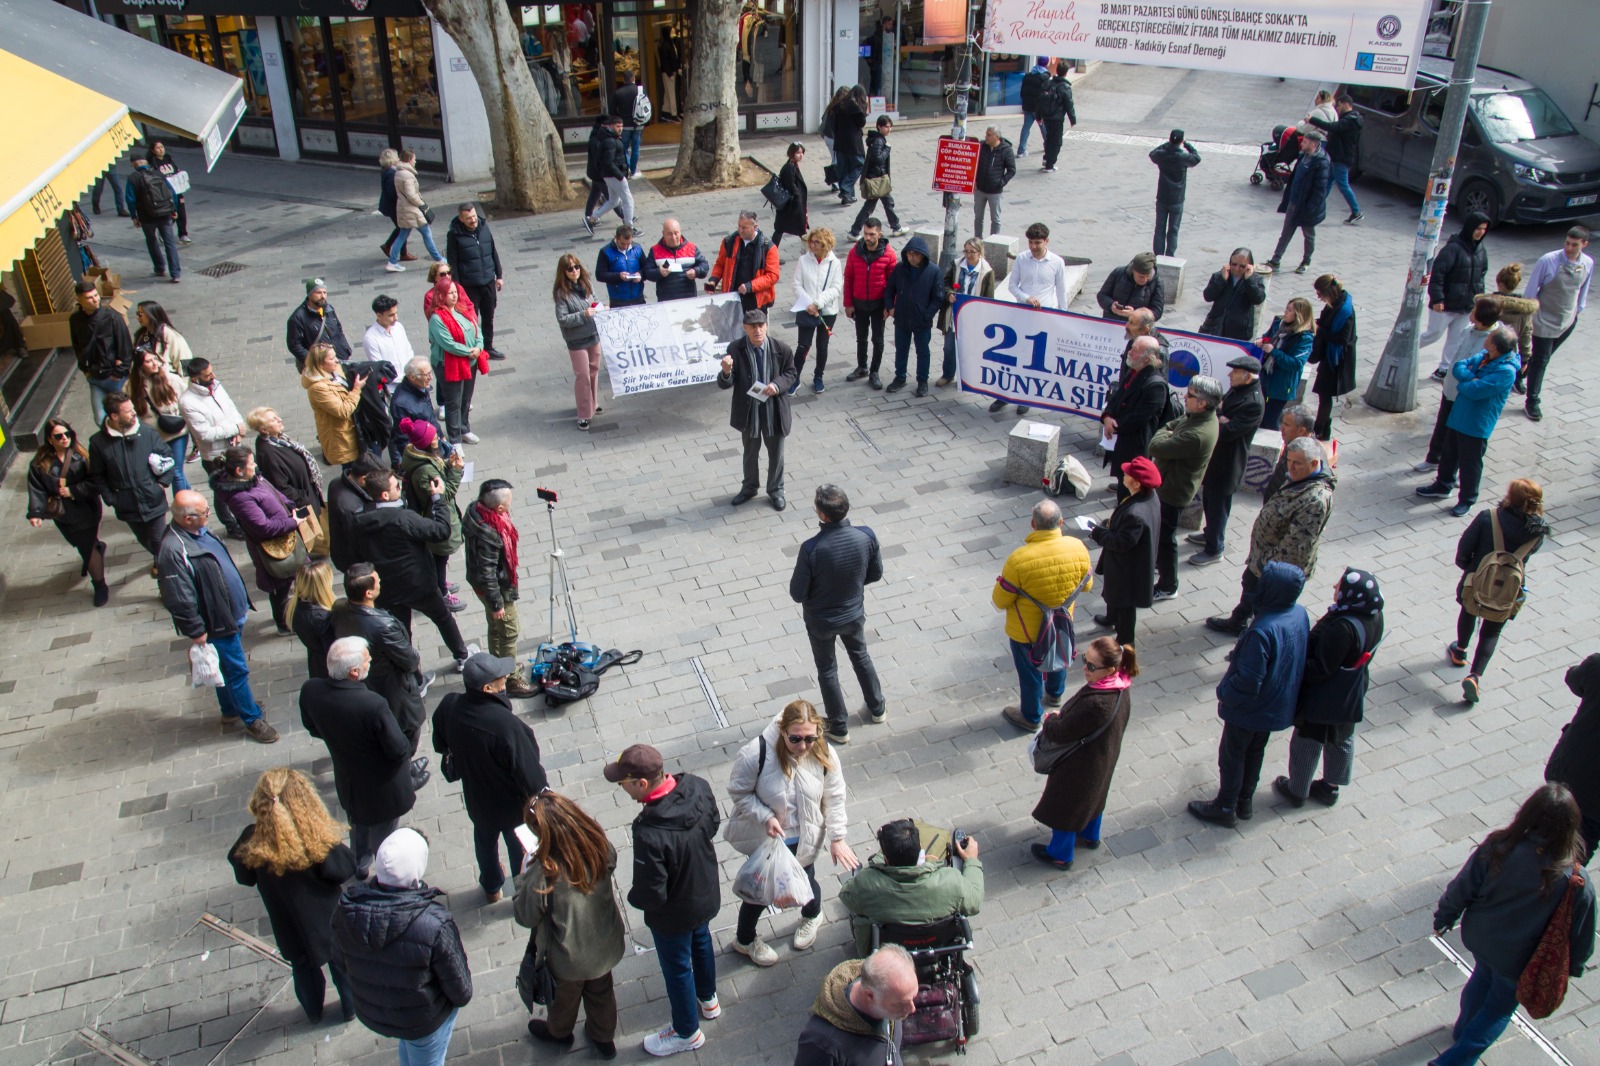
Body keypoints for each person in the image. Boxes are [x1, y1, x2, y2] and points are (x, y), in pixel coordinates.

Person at [1431, 783, 1596, 1066]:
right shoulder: (1574, 881)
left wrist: (1445, 916)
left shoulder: (1499, 846)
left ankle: (1462, 1030)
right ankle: (1453, 1062)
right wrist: (1574, 966)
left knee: (1481, 979)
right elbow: (1581, 933)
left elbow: (1463, 885)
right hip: (1520, 960)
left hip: (1481, 939)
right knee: (1498, 1009)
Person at [606, 743, 722, 1058]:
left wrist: (633, 898)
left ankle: (686, 1032)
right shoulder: (697, 785)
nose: (623, 788)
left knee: (677, 967)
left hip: (673, 914)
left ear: (641, 784)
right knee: (702, 940)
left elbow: (651, 891)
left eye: (623, 783)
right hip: (704, 893)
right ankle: (708, 999)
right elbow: (713, 824)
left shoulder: (649, 831)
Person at [725, 700, 860, 966]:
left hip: (805, 838)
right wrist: (765, 816)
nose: (802, 746)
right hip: (769, 839)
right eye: (795, 738)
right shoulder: (756, 753)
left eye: (810, 738)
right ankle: (744, 940)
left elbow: (834, 796)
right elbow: (739, 792)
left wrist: (837, 837)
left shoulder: (824, 754)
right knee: (759, 893)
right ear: (783, 731)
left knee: (807, 881)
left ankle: (812, 915)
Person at [332, 829, 473, 1066]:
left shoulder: (347, 910)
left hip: (375, 1013)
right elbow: (462, 990)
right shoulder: (434, 922)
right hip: (422, 1019)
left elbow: (340, 961)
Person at [228, 769, 357, 1023]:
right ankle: (350, 1008)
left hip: (287, 925)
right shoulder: (314, 841)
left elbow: (244, 877)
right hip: (327, 923)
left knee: (302, 969)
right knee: (342, 966)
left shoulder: (251, 839)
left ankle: (313, 1011)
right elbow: (346, 869)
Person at [1188, 561, 1309, 827]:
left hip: (1249, 709)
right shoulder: (1298, 613)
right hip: (1275, 704)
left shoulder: (1262, 630)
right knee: (1256, 750)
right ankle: (1245, 800)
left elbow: (1248, 680)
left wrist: (1224, 693)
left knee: (1231, 756)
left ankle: (1225, 806)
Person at [156, 490, 278, 743]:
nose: (209, 516)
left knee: (226, 667)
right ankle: (252, 718)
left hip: (230, 613)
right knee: (236, 671)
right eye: (204, 513)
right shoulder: (173, 550)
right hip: (216, 622)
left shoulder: (200, 531)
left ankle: (230, 709)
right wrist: (196, 630)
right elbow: (179, 597)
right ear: (187, 519)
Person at [515, 792, 626, 1060]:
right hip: (604, 945)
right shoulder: (598, 844)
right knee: (602, 993)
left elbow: (525, 916)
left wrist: (524, 874)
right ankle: (603, 1038)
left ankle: (559, 1033)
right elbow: (610, 863)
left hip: (566, 958)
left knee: (563, 1000)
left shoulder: (544, 871)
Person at [433, 652, 548, 903]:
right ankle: (522, 892)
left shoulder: (449, 705)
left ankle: (491, 887)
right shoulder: (506, 726)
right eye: (500, 677)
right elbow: (531, 775)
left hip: (476, 797)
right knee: (518, 847)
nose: (505, 677)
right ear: (487, 688)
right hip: (511, 804)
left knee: (484, 842)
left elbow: (440, 743)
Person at [300, 637, 418, 878]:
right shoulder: (372, 705)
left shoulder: (311, 690)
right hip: (382, 787)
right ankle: (387, 873)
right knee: (384, 832)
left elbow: (312, 727)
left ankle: (360, 863)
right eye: (367, 659)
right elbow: (398, 749)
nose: (370, 660)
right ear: (354, 672)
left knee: (358, 822)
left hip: (349, 780)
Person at [1273, 568, 1384, 809]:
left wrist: (1293, 667)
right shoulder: (1373, 615)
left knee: (1308, 740)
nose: (1334, 586)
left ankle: (1297, 790)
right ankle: (1330, 787)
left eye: (1340, 585)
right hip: (1351, 690)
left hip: (1325, 696)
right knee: (1342, 736)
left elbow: (1320, 669)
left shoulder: (1341, 628)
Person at [1206, 436, 1335, 635]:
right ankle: (1238, 622)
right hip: (1263, 559)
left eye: (1297, 463)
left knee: (1265, 610)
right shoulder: (1300, 478)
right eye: (1288, 461)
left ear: (1314, 463)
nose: (1290, 468)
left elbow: (1295, 547)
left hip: (1275, 569)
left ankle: (1249, 645)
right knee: (1249, 591)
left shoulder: (1315, 499)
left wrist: (1264, 565)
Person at [1030, 636, 1137, 869]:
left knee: (1066, 807)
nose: (1085, 669)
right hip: (1103, 758)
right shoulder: (1121, 686)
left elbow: (1061, 733)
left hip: (1081, 766)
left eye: (1091, 666)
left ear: (1109, 669)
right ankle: (1090, 836)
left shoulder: (1097, 703)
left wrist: (1051, 720)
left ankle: (1060, 854)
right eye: (1084, 661)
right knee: (1094, 798)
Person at [791, 484, 885, 742]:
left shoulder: (812, 549)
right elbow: (875, 574)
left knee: (827, 669)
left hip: (821, 621)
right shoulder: (866, 536)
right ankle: (877, 707)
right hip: (853, 613)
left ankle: (839, 725)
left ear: (822, 515)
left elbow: (797, 593)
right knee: (861, 656)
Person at [353, 469, 473, 667]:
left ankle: (413, 675)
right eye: (397, 486)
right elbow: (441, 531)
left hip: (387, 587)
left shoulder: (359, 519)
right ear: (385, 494)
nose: (401, 488)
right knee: (443, 618)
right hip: (418, 583)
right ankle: (462, 655)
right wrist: (438, 499)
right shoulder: (403, 518)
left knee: (402, 631)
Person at [993, 499, 1093, 733]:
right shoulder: (1077, 547)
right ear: (1060, 522)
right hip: (1061, 622)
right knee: (1058, 655)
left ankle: (1031, 716)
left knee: (1030, 674)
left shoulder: (1020, 559)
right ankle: (1056, 695)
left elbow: (1000, 600)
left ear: (1032, 524)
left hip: (1026, 630)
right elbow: (1086, 585)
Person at [1447, 477, 1546, 704]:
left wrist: (1470, 568)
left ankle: (1460, 650)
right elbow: (1527, 557)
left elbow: (1464, 550)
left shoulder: (1488, 517)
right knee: (1492, 632)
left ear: (1511, 497)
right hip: (1508, 589)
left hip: (1477, 581)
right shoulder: (1538, 531)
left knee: (1469, 612)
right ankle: (1475, 676)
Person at [330, 564, 432, 772]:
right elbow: (409, 660)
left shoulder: (340, 609)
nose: (381, 582)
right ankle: (403, 773)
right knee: (407, 733)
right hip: (394, 689)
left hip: (368, 684)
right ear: (368, 592)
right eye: (377, 580)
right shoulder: (383, 626)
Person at [1416, 326, 1519, 518]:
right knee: (1449, 452)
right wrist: (1471, 380)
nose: (1486, 338)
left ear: (1495, 346)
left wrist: (1467, 382)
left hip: (1476, 423)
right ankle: (1443, 484)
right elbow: (1458, 367)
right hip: (1460, 414)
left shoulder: (1506, 372)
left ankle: (1467, 499)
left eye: (1489, 337)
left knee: (1470, 462)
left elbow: (1475, 390)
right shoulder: (1484, 355)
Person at [839, 819, 982, 956]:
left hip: (886, 954)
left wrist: (874, 865)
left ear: (886, 858)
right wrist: (972, 860)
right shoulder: (951, 882)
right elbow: (974, 903)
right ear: (920, 849)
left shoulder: (866, 885)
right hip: (939, 946)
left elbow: (846, 896)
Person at [214, 445, 306, 632]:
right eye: (251, 463)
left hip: (285, 537)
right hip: (272, 547)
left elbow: (274, 492)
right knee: (280, 586)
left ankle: (296, 612)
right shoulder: (240, 497)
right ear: (239, 471)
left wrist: (289, 504)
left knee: (294, 577)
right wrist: (292, 523)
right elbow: (263, 527)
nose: (255, 465)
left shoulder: (254, 478)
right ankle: (284, 624)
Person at [1148, 376, 1221, 599]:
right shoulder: (1197, 417)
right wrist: (1168, 429)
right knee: (1162, 535)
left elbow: (1156, 446)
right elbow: (1173, 423)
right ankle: (1161, 566)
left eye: (1190, 396)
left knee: (1166, 538)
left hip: (1172, 490)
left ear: (1203, 403)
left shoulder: (1197, 434)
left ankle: (1169, 585)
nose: (1184, 398)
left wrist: (1164, 432)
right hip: (1169, 483)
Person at [717, 309, 797, 511]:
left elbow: (791, 373)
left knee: (776, 453)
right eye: (752, 327)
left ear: (766, 326)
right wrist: (726, 372)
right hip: (749, 412)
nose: (757, 331)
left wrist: (777, 385)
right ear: (745, 328)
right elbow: (727, 382)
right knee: (750, 452)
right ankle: (750, 487)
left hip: (774, 411)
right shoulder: (736, 349)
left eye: (761, 326)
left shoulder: (782, 349)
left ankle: (776, 490)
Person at [462, 479, 536, 698]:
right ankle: (510, 678)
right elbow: (488, 573)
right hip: (495, 589)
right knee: (509, 630)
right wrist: (497, 603)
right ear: (499, 508)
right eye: (509, 501)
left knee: (496, 628)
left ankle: (497, 666)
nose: (511, 504)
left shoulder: (476, 511)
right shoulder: (491, 533)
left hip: (481, 584)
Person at [25, 418, 107, 607]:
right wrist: (36, 512)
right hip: (63, 514)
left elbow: (96, 482)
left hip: (86, 509)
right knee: (79, 543)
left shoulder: (81, 456)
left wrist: (73, 491)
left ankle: (100, 585)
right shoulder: (40, 463)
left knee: (86, 546)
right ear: (50, 439)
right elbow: (36, 488)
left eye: (67, 434)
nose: (64, 438)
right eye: (59, 436)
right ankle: (97, 549)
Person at [1191, 356, 1265, 566]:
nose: (1230, 375)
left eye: (1235, 372)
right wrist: (1219, 417)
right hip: (1217, 459)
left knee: (1218, 506)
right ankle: (1209, 533)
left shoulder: (1253, 402)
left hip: (1229, 463)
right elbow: (1217, 410)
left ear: (1248, 376)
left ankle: (1215, 548)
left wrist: (1219, 420)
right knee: (1209, 501)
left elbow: (1229, 431)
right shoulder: (1238, 390)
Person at [793, 945, 919, 1066]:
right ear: (870, 995)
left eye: (913, 997)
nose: (912, 1009)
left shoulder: (886, 990)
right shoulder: (822, 1043)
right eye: (900, 1004)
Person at [1416, 295, 1500, 475]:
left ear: (1482, 317)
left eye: (1474, 310)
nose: (1471, 311)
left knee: (1457, 436)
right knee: (1441, 426)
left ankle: (1453, 472)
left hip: (1465, 395)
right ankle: (1433, 458)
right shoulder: (1469, 329)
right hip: (1450, 389)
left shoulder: (1492, 342)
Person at [88, 392, 174, 562]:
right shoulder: (98, 442)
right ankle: (162, 560)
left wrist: (161, 484)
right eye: (128, 411)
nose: (134, 413)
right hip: (126, 504)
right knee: (146, 540)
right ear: (114, 416)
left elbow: (167, 458)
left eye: (132, 408)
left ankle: (168, 568)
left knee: (159, 540)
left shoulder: (147, 432)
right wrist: (112, 498)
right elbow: (98, 475)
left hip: (152, 498)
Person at [1521, 225, 1592, 421]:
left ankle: (1519, 375)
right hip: (1544, 320)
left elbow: (1583, 288)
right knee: (1541, 360)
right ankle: (1532, 401)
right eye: (1567, 243)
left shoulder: (1587, 263)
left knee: (1540, 358)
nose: (1569, 247)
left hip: (1567, 320)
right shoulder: (1548, 260)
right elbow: (1531, 290)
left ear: (1584, 244)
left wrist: (1578, 310)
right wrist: (1529, 315)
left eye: (1574, 244)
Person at [1088, 457, 1160, 644]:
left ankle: (1125, 642)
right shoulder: (1148, 497)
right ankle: (1111, 617)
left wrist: (1098, 533)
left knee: (1125, 603)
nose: (1123, 475)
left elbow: (1122, 542)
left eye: (1127, 474)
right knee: (1114, 593)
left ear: (1136, 483)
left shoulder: (1135, 514)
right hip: (1126, 564)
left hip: (1127, 568)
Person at [397, 418, 465, 612]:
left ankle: (440, 583)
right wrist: (457, 472)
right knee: (439, 557)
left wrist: (448, 465)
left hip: (432, 516)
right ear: (426, 442)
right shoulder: (425, 470)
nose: (437, 436)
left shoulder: (421, 457)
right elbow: (444, 495)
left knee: (439, 558)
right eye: (433, 435)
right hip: (435, 519)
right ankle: (441, 592)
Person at [1422, 212, 1492, 379]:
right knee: (1433, 335)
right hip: (1445, 305)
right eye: (1477, 228)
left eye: (1484, 229)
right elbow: (1438, 274)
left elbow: (1481, 274)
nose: (1480, 232)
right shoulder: (1453, 249)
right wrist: (1437, 298)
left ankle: (1444, 369)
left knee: (1456, 339)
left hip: (1466, 306)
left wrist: (1478, 298)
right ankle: (1405, 349)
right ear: (1469, 228)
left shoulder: (1481, 250)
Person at [1547, 655, 1600, 864]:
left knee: (1546, 822)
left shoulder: (1597, 666)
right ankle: (1560, 889)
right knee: (1581, 846)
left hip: (1569, 773)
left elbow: (1573, 678)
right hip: (1596, 803)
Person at [1101, 335, 1171, 491]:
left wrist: (1114, 426)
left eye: (1135, 351)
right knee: (1122, 480)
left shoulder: (1156, 385)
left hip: (1136, 444)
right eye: (1131, 348)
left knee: (1130, 485)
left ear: (1147, 359)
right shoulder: (1134, 371)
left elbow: (1139, 417)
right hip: (1123, 438)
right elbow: (1116, 398)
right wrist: (1107, 417)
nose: (1129, 353)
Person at [883, 235, 945, 397]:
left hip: (922, 320)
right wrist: (890, 307)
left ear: (922, 255)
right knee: (901, 349)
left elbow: (938, 297)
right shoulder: (900, 268)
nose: (912, 257)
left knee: (923, 351)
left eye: (916, 254)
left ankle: (922, 381)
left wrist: (928, 315)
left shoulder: (933, 271)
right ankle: (900, 376)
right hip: (902, 318)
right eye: (909, 254)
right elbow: (889, 290)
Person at [1264, 129, 1330, 274]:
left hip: (1307, 207)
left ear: (1313, 144)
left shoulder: (1321, 162)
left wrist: (1310, 208)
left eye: (1305, 142)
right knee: (1286, 232)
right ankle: (1275, 260)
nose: (1301, 144)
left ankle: (1306, 261)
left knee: (1308, 235)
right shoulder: (1303, 156)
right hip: (1294, 203)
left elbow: (1320, 190)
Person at [427, 284, 486, 446]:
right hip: (449, 364)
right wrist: (469, 351)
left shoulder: (462, 310)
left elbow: (476, 329)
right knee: (453, 402)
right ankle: (454, 440)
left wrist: (479, 347)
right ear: (441, 296)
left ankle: (464, 428)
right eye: (449, 293)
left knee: (466, 398)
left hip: (470, 361)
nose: (454, 296)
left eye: (455, 292)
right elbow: (448, 344)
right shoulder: (436, 318)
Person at [69, 281, 134, 426]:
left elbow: (126, 347)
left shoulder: (112, 317)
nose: (95, 299)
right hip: (95, 378)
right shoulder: (75, 320)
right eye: (89, 297)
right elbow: (77, 346)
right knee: (100, 419)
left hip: (116, 378)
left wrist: (118, 373)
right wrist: (85, 370)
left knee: (126, 417)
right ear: (79, 300)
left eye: (96, 295)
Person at [842, 219, 897, 389]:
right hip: (859, 303)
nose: (867, 237)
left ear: (879, 234)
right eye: (865, 233)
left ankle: (874, 371)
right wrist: (848, 304)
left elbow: (893, 284)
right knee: (861, 338)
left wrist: (890, 306)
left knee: (878, 339)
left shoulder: (889, 254)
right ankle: (862, 367)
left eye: (871, 234)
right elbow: (849, 278)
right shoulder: (855, 252)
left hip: (878, 305)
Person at [129, 344, 191, 492]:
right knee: (174, 472)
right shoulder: (132, 386)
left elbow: (187, 403)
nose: (154, 363)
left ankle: (183, 508)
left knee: (176, 472)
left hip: (177, 432)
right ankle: (190, 498)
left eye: (155, 359)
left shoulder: (171, 380)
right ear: (140, 366)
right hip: (153, 437)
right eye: (148, 361)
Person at [553, 253, 605, 431]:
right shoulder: (562, 293)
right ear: (564, 272)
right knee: (582, 375)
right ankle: (584, 414)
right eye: (570, 269)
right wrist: (583, 314)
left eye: (576, 267)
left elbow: (595, 302)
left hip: (594, 335)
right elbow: (562, 319)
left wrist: (601, 307)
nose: (574, 271)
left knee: (593, 371)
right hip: (577, 340)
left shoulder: (586, 284)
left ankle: (593, 402)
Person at [446, 205, 505, 359]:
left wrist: (499, 275)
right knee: (471, 319)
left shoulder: (484, 228)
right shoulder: (454, 235)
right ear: (461, 219)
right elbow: (452, 262)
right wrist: (457, 288)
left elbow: (493, 251)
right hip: (469, 285)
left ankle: (488, 347)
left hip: (488, 282)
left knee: (489, 316)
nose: (473, 221)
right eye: (468, 218)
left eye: (474, 217)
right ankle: (473, 348)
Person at [791, 229, 843, 393]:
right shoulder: (803, 260)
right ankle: (795, 378)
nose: (812, 245)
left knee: (822, 345)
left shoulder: (834, 263)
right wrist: (809, 304)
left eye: (816, 242)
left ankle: (818, 377)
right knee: (803, 345)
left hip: (827, 311)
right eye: (811, 242)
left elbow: (836, 288)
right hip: (806, 309)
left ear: (825, 244)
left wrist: (818, 304)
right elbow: (796, 284)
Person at [938, 238, 995, 387]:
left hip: (973, 318)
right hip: (954, 314)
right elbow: (944, 283)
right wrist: (949, 293)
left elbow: (989, 298)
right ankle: (948, 374)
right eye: (966, 251)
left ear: (980, 253)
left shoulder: (987, 272)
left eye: (972, 252)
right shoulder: (956, 265)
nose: (969, 255)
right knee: (949, 346)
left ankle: (967, 378)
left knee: (969, 349)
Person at [301, 343, 367, 470]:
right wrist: (357, 389)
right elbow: (343, 411)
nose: (336, 361)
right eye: (331, 359)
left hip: (354, 431)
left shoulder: (333, 370)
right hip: (343, 438)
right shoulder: (317, 388)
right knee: (353, 472)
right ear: (320, 364)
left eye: (335, 356)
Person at [1307, 273, 1356, 441]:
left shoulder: (1344, 311)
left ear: (1329, 292)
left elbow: (1343, 339)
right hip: (1330, 356)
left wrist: (1319, 330)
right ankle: (1322, 428)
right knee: (1323, 394)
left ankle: (1320, 429)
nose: (1318, 297)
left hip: (1336, 360)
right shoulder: (1335, 303)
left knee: (1324, 394)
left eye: (1320, 294)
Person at [1304, 93, 1363, 224]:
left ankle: (1356, 211)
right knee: (1328, 182)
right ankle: (1316, 207)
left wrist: (1312, 120)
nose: (1337, 108)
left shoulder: (1350, 120)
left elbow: (1333, 127)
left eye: (1339, 105)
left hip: (1341, 157)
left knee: (1342, 185)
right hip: (1338, 156)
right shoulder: (1350, 118)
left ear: (1346, 104)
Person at [1257, 297, 1315, 430]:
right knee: (1260, 417)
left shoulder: (1304, 338)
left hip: (1281, 385)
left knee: (1270, 421)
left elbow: (1296, 363)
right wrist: (1262, 340)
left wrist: (1274, 352)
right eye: (1286, 308)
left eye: (1289, 310)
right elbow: (1268, 336)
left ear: (1299, 315)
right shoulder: (1279, 323)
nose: (1285, 312)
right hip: (1265, 378)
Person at [708, 210, 781, 314]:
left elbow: (772, 276)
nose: (740, 230)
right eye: (739, 226)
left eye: (744, 228)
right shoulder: (729, 242)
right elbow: (720, 265)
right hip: (732, 299)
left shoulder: (768, 247)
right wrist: (713, 280)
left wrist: (750, 286)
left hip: (756, 302)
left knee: (755, 330)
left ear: (755, 227)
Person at [125, 158, 181, 283]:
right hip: (165, 213)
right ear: (146, 163)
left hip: (146, 216)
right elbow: (172, 192)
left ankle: (160, 268)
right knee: (170, 243)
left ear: (133, 164)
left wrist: (134, 216)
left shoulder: (133, 178)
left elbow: (130, 199)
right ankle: (175, 273)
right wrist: (174, 209)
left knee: (151, 241)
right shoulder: (158, 173)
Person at [850, 116, 906, 240]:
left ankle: (896, 227)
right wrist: (887, 149)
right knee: (872, 207)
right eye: (886, 126)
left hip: (877, 179)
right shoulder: (879, 141)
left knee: (885, 204)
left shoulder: (878, 139)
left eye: (890, 126)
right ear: (879, 127)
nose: (889, 129)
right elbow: (877, 159)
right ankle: (854, 232)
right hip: (877, 181)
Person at [326, 454, 384, 572]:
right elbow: (358, 543)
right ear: (363, 479)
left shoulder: (336, 482)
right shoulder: (350, 508)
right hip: (354, 562)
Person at [388, 150, 443, 271]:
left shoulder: (399, 172)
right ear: (409, 159)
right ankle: (439, 258)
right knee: (426, 233)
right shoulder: (407, 175)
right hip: (412, 210)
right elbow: (411, 195)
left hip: (405, 209)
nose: (415, 161)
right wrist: (422, 204)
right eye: (414, 158)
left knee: (402, 235)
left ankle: (392, 261)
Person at [389, 359, 452, 466]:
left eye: (430, 373)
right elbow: (402, 438)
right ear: (412, 377)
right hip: (423, 453)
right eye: (426, 374)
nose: (431, 377)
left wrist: (441, 435)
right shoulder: (401, 404)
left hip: (433, 443)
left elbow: (430, 415)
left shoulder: (420, 387)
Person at [1148, 129, 1200, 256]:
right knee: (1173, 230)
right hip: (1177, 198)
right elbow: (1196, 158)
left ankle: (1158, 255)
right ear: (1181, 141)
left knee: (1159, 228)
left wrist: (1167, 145)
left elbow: (1152, 153)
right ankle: (1170, 255)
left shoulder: (1162, 155)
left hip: (1162, 197)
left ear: (1170, 139)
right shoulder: (1182, 157)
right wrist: (1188, 145)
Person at [287, 278, 353, 372]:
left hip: (340, 360)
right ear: (309, 294)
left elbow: (338, 329)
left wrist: (346, 348)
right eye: (318, 293)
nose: (323, 296)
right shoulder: (297, 318)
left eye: (324, 292)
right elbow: (294, 345)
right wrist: (314, 362)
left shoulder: (328, 308)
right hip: (321, 367)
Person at [1199, 249, 1266, 340]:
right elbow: (1208, 296)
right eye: (1234, 264)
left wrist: (1249, 280)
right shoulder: (1220, 275)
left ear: (1249, 266)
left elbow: (1258, 299)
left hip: (1239, 331)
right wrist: (1221, 280)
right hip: (1215, 327)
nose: (1237, 268)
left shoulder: (1255, 279)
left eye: (1242, 266)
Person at [287, 557, 336, 679]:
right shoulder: (322, 617)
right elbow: (333, 650)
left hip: (316, 665)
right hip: (329, 671)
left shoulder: (295, 607)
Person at [585, 116, 635, 234]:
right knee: (628, 200)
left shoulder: (610, 138)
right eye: (618, 126)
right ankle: (629, 228)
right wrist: (620, 176)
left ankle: (591, 219)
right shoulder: (609, 141)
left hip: (609, 175)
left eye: (622, 126)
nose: (620, 129)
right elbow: (608, 162)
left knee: (613, 201)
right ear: (610, 126)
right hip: (613, 175)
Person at [1005, 223, 1069, 312]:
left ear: (1046, 241)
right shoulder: (1021, 258)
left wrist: (1064, 314)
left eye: (1037, 243)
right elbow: (1012, 285)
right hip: (1023, 309)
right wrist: (1027, 298)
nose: (1033, 246)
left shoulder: (1057, 262)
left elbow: (1061, 291)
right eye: (1030, 242)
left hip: (1045, 312)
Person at [643, 219, 709, 302]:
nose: (673, 237)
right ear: (663, 234)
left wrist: (696, 271)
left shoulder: (691, 248)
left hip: (689, 299)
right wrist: (659, 272)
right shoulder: (655, 250)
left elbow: (704, 265)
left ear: (680, 232)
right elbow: (647, 272)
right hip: (666, 300)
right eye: (669, 234)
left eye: (676, 233)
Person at [1097, 251, 1165, 323]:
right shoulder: (1119, 273)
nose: (1144, 280)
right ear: (1133, 270)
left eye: (1147, 276)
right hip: (1111, 322)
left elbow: (1157, 312)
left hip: (1136, 328)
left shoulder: (1157, 282)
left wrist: (1135, 314)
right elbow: (1102, 295)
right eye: (1141, 276)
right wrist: (1111, 306)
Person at [1032, 65, 1077, 173]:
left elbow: (1039, 101)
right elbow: (1069, 104)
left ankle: (1046, 159)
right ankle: (1049, 164)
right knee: (1056, 141)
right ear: (1066, 73)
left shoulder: (1048, 83)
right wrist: (1072, 119)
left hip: (1046, 117)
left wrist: (1038, 116)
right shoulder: (1065, 87)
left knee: (1049, 138)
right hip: (1057, 118)